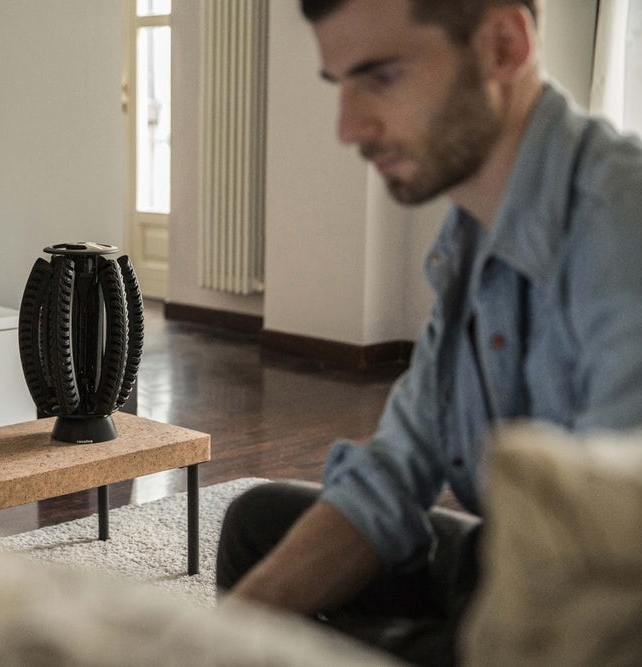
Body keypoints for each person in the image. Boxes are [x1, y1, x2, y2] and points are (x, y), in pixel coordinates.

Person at [216, 0, 642, 664]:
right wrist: (211, 641)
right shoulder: (471, 232)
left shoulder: (621, 228)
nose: (348, 129)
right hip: (517, 558)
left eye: (381, 76)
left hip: (600, 602)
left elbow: (610, 570)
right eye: (341, 84)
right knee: (258, 524)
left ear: (503, 46)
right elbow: (394, 470)